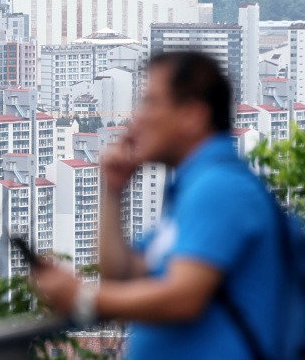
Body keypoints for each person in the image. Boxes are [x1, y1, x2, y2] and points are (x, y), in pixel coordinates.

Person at [32, 51, 284, 359]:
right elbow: (124, 275)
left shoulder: (220, 188)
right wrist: (113, 191)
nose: (137, 118)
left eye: (150, 103)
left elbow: (183, 298)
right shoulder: (192, 189)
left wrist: (83, 298)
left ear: (193, 115)